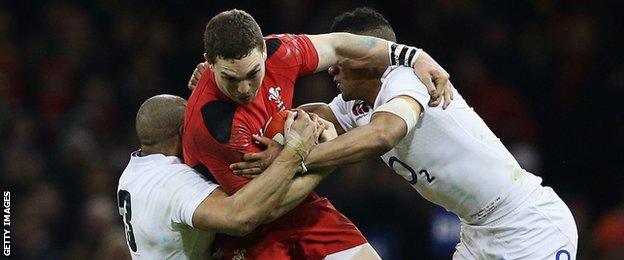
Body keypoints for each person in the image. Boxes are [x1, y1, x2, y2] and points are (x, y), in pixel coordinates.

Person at [230, 7, 579, 259]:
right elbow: (307, 118)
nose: (331, 67)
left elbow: (382, 135)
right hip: (477, 233)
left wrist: (293, 156)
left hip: (529, 224)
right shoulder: (356, 105)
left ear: (366, 56)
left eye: (342, 57)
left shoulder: (407, 80)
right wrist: (227, 90)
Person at [183, 8, 453, 259]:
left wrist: (415, 56)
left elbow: (338, 44)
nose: (244, 89)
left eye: (253, 73)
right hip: (246, 226)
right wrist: (320, 154)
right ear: (209, 63)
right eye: (231, 78)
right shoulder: (216, 123)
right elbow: (262, 210)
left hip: (296, 201)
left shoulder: (283, 52)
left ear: (264, 51)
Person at [116, 94, 325, 259]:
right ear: (184, 131)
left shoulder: (134, 172)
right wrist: (299, 153)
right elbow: (240, 218)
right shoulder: (171, 181)